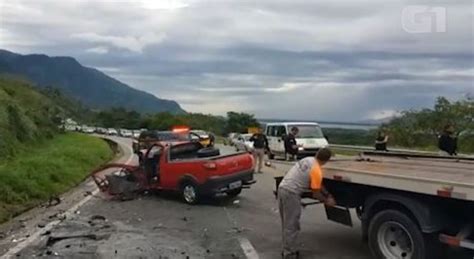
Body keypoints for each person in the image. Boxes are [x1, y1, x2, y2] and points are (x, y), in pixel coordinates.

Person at [278, 148, 336, 259]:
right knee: (292, 225)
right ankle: (289, 254)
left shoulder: (308, 160)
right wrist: (327, 200)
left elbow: (317, 184)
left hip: (283, 188)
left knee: (287, 223)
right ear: (326, 160)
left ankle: (288, 248)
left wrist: (327, 193)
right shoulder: (317, 171)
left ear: (317, 154)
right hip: (292, 193)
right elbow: (316, 194)